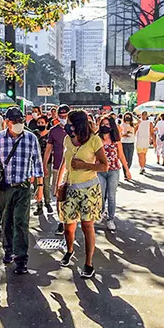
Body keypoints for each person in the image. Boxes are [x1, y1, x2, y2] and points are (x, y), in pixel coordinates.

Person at [0, 107, 44, 275]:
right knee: (6, 222)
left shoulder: (31, 138)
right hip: (4, 188)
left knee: (21, 223)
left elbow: (38, 165)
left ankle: (21, 259)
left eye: (20, 121)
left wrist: (40, 189)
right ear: (7, 122)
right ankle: (8, 250)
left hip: (23, 189)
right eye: (14, 122)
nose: (18, 124)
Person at [55, 110, 108, 279]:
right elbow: (64, 161)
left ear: (77, 124)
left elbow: (104, 166)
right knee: (68, 226)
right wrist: (58, 184)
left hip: (89, 189)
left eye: (69, 122)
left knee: (87, 226)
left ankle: (88, 263)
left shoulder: (94, 140)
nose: (66, 125)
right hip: (69, 187)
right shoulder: (67, 139)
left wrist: (85, 165)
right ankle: (69, 250)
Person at [98, 115, 132, 233]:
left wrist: (127, 170)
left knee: (111, 196)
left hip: (113, 170)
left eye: (107, 124)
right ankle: (101, 212)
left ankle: (110, 219)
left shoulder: (116, 140)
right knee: (101, 194)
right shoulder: (96, 139)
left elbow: (121, 156)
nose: (104, 126)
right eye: (103, 124)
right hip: (99, 171)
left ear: (111, 126)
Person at [43, 104, 69, 230]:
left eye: (66, 115)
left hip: (73, 169)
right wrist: (44, 166)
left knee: (69, 197)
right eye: (61, 115)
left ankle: (69, 219)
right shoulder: (53, 131)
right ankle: (61, 220)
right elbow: (48, 150)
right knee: (59, 196)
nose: (63, 117)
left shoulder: (76, 129)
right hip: (57, 168)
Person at [32, 115, 52, 216]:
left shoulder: (50, 134)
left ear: (46, 123)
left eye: (42, 123)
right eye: (39, 123)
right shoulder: (34, 134)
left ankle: (48, 203)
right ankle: (39, 205)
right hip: (35, 162)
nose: (40, 124)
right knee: (36, 185)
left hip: (47, 162)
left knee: (46, 184)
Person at [136, 110, 153, 175]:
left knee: (142, 155)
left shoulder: (149, 123)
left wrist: (154, 141)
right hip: (141, 141)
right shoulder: (138, 122)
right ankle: (142, 167)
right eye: (143, 114)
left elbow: (152, 132)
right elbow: (134, 130)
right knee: (141, 155)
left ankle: (142, 167)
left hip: (144, 141)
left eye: (145, 115)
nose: (144, 116)